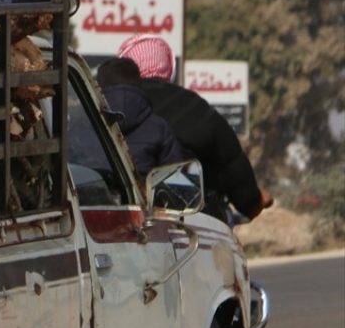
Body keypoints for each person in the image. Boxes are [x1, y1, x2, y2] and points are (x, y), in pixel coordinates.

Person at [116, 33, 274, 222]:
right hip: (189, 224)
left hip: (109, 219)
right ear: (169, 66)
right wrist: (252, 203)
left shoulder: (102, 106)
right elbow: (231, 162)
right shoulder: (194, 107)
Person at [96, 58, 185, 179]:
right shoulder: (159, 128)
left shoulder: (83, 125)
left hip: (90, 196)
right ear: (139, 86)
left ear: (99, 88)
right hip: (144, 197)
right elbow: (175, 180)